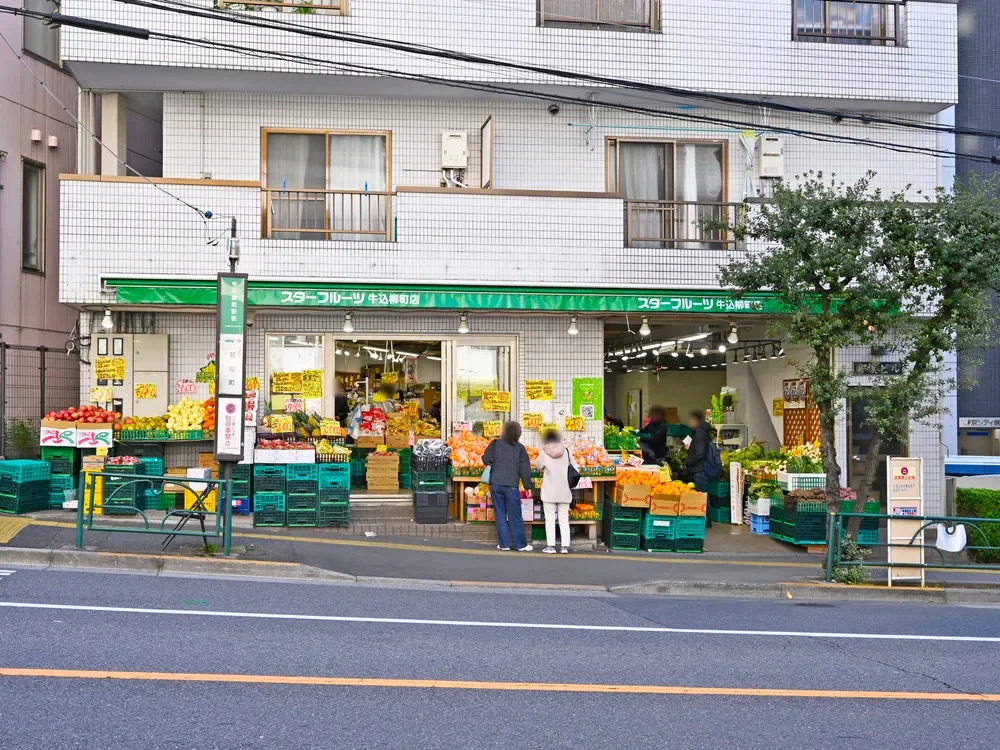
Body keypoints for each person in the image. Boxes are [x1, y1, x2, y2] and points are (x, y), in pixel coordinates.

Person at [482, 421, 534, 552]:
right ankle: (520, 545)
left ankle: (504, 544)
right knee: (515, 515)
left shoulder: (495, 444)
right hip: (511, 485)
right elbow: (525, 469)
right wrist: (528, 487)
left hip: (495, 484)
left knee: (499, 514)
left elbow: (485, 459)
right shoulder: (520, 448)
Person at [534, 431, 574, 554]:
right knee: (563, 518)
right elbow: (575, 467)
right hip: (564, 490)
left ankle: (551, 546)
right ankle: (564, 547)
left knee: (550, 519)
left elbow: (537, 466)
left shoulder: (544, 453)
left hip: (549, 491)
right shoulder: (566, 451)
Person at [683, 410, 713, 492]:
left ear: (696, 420)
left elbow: (700, 453)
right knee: (703, 497)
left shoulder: (699, 433)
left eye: (691, 420)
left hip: (699, 470)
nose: (690, 422)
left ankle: (708, 506)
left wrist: (689, 461)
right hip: (701, 469)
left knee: (702, 497)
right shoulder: (702, 431)